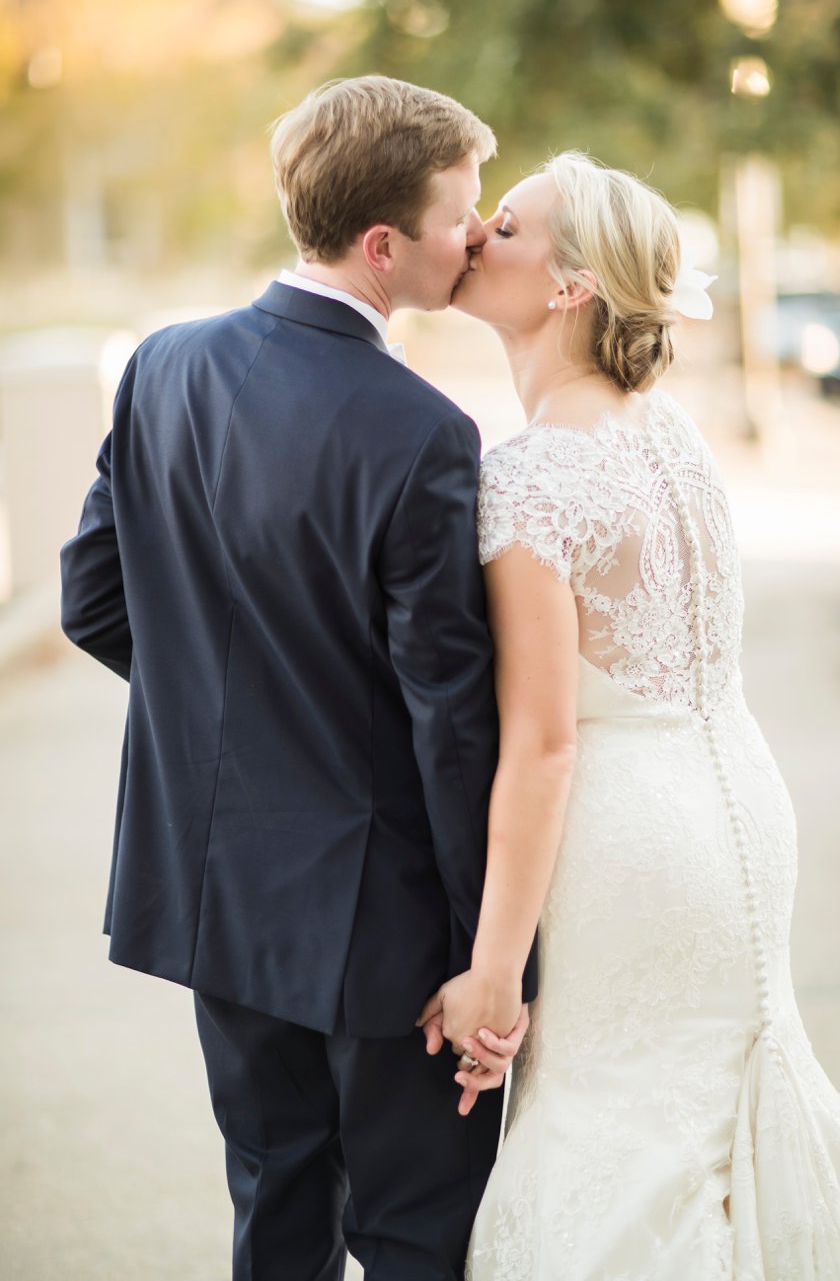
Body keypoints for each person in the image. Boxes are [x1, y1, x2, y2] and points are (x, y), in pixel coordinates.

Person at [59, 75, 533, 1281]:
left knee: (274, 1210)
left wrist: (237, 724)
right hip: (383, 923)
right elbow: (449, 718)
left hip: (217, 894)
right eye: (457, 215)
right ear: (386, 247)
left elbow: (93, 601)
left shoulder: (161, 367)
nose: (474, 235)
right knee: (416, 1232)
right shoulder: (423, 431)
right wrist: (490, 956)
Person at [425, 151, 840, 1278]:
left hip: (628, 849)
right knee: (710, 1131)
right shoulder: (672, 438)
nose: (479, 233)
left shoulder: (533, 473)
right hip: (739, 804)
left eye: (508, 224)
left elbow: (541, 747)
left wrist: (493, 972)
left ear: (569, 287)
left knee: (622, 1135)